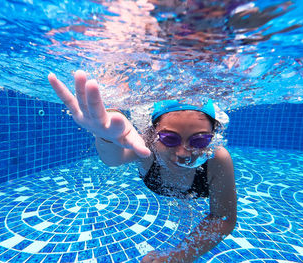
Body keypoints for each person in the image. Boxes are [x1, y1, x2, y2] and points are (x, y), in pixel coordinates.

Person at [48, 70, 237, 263]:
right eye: (170, 139)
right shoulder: (147, 148)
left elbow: (223, 218)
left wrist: (178, 257)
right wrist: (106, 137)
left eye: (199, 140)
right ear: (152, 134)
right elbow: (113, 159)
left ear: (213, 137)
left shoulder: (216, 159)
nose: (183, 153)